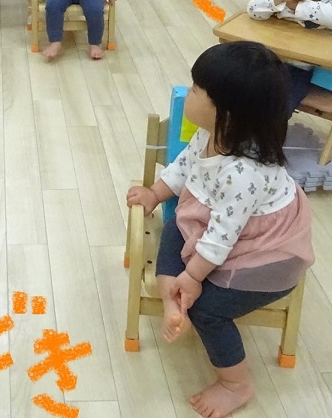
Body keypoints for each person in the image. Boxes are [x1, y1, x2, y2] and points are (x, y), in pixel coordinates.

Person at [126, 41, 313, 418]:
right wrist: (155, 193)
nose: (189, 93)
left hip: (266, 254)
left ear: (226, 111)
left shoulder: (244, 172)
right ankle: (171, 302)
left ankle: (235, 384)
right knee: (173, 229)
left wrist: (193, 277)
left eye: (197, 90)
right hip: (224, 227)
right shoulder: (211, 133)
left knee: (208, 311)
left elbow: (221, 239)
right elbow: (184, 167)